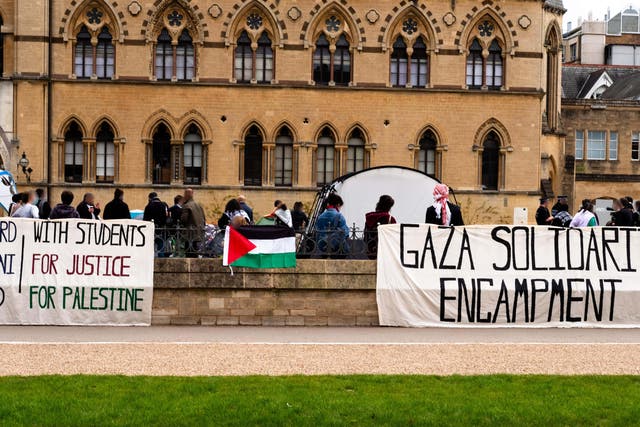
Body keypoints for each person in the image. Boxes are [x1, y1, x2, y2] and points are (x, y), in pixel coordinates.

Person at [315, 193, 350, 257]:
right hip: (336, 250)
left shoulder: (320, 216)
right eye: (340, 207)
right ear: (338, 204)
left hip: (322, 248)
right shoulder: (339, 216)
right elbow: (345, 232)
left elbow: (317, 232)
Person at [364, 195, 397, 259]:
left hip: (371, 250)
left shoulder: (370, 218)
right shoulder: (390, 219)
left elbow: (365, 235)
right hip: (385, 251)